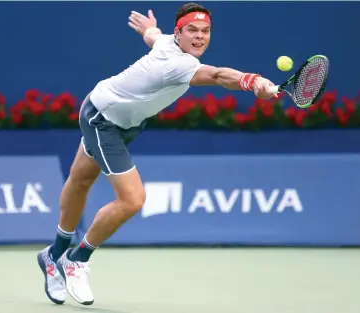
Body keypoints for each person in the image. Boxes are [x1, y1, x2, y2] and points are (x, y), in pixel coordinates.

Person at [37, 2, 277, 306]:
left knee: (81, 178)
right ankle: (77, 258)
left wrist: (148, 29)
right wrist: (253, 81)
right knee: (133, 199)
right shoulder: (180, 64)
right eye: (192, 30)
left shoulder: (166, 41)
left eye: (205, 31)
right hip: (103, 120)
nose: (200, 36)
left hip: (117, 116)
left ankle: (52, 255)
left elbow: (153, 36)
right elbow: (217, 76)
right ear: (179, 33)